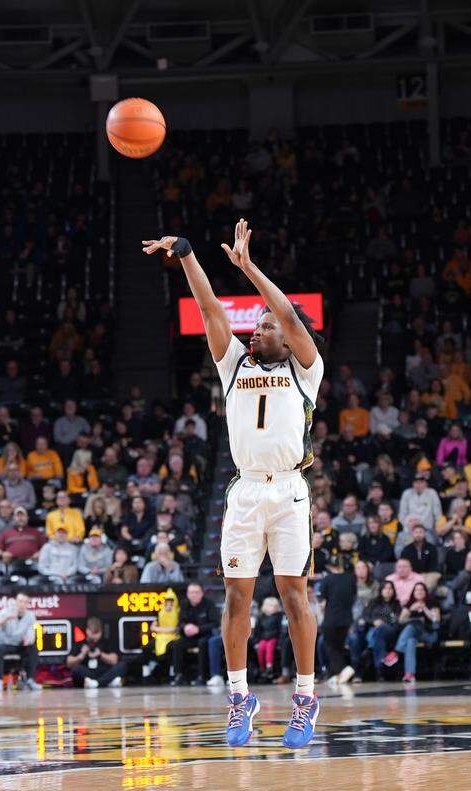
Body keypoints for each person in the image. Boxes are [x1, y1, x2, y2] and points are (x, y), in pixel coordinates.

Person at [144, 218, 325, 747]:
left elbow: (289, 314)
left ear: (289, 340)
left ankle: (306, 699)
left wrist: (248, 269)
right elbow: (210, 310)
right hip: (245, 491)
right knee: (236, 600)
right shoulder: (232, 366)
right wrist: (187, 254)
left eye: (265, 328)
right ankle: (239, 696)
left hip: (289, 491)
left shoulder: (305, 368)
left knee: (294, 597)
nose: (257, 331)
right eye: (258, 327)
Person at [391, 582, 441, 683]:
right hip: (412, 635)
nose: (419, 591)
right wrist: (410, 609)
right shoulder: (409, 604)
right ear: (413, 592)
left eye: (422, 589)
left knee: (411, 626)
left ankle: (396, 652)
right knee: (410, 641)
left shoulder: (432, 603)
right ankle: (409, 674)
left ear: (425, 592)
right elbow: (400, 621)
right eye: (417, 590)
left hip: (429, 634)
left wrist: (424, 608)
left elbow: (436, 620)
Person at [0, 593, 40, 690]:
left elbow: (31, 633)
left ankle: (30, 680)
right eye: (20, 601)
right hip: (3, 643)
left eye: (25, 602)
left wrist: (28, 640)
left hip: (18, 645)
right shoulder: (6, 612)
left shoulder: (30, 616)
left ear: (28, 604)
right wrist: (6, 618)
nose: (22, 604)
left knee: (33, 648)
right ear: (16, 602)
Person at [171, 583, 219, 685]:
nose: (194, 595)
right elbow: (180, 623)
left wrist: (199, 629)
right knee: (177, 644)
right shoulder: (184, 604)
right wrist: (185, 627)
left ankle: (202, 676)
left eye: (197, 592)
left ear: (202, 593)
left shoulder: (209, 604)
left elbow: (215, 623)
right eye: (191, 592)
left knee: (203, 643)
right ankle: (178, 676)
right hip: (189, 636)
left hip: (205, 635)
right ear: (188, 594)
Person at [68, 617, 128, 689]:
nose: (94, 636)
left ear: (101, 631)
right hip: (88, 673)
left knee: (122, 665)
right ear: (87, 630)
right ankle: (107, 682)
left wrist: (100, 654)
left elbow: (114, 660)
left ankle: (97, 683)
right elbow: (69, 663)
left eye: (97, 633)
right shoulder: (79, 644)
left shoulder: (106, 643)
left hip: (105, 671)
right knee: (76, 670)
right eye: (92, 632)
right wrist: (81, 655)